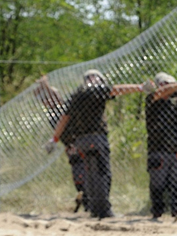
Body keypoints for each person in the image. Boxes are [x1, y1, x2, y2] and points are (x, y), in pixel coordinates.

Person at [51, 70, 149, 219]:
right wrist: (140, 87)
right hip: (96, 138)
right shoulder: (95, 89)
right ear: (95, 79)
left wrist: (54, 139)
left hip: (81, 141)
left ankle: (93, 209)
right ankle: (104, 211)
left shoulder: (76, 95)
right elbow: (117, 89)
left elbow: (64, 118)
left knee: (90, 174)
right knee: (103, 174)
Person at [36, 76, 89, 212]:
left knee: (86, 170)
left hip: (80, 143)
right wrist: (44, 88)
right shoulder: (55, 114)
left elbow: (58, 98)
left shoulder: (65, 108)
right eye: (46, 100)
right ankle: (83, 197)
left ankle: (86, 198)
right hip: (71, 146)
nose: (51, 100)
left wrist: (47, 87)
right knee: (78, 172)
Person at [145, 73, 177, 221]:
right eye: (166, 84)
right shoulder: (152, 100)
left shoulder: (176, 101)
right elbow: (158, 93)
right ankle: (157, 213)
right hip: (157, 150)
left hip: (175, 149)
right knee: (157, 185)